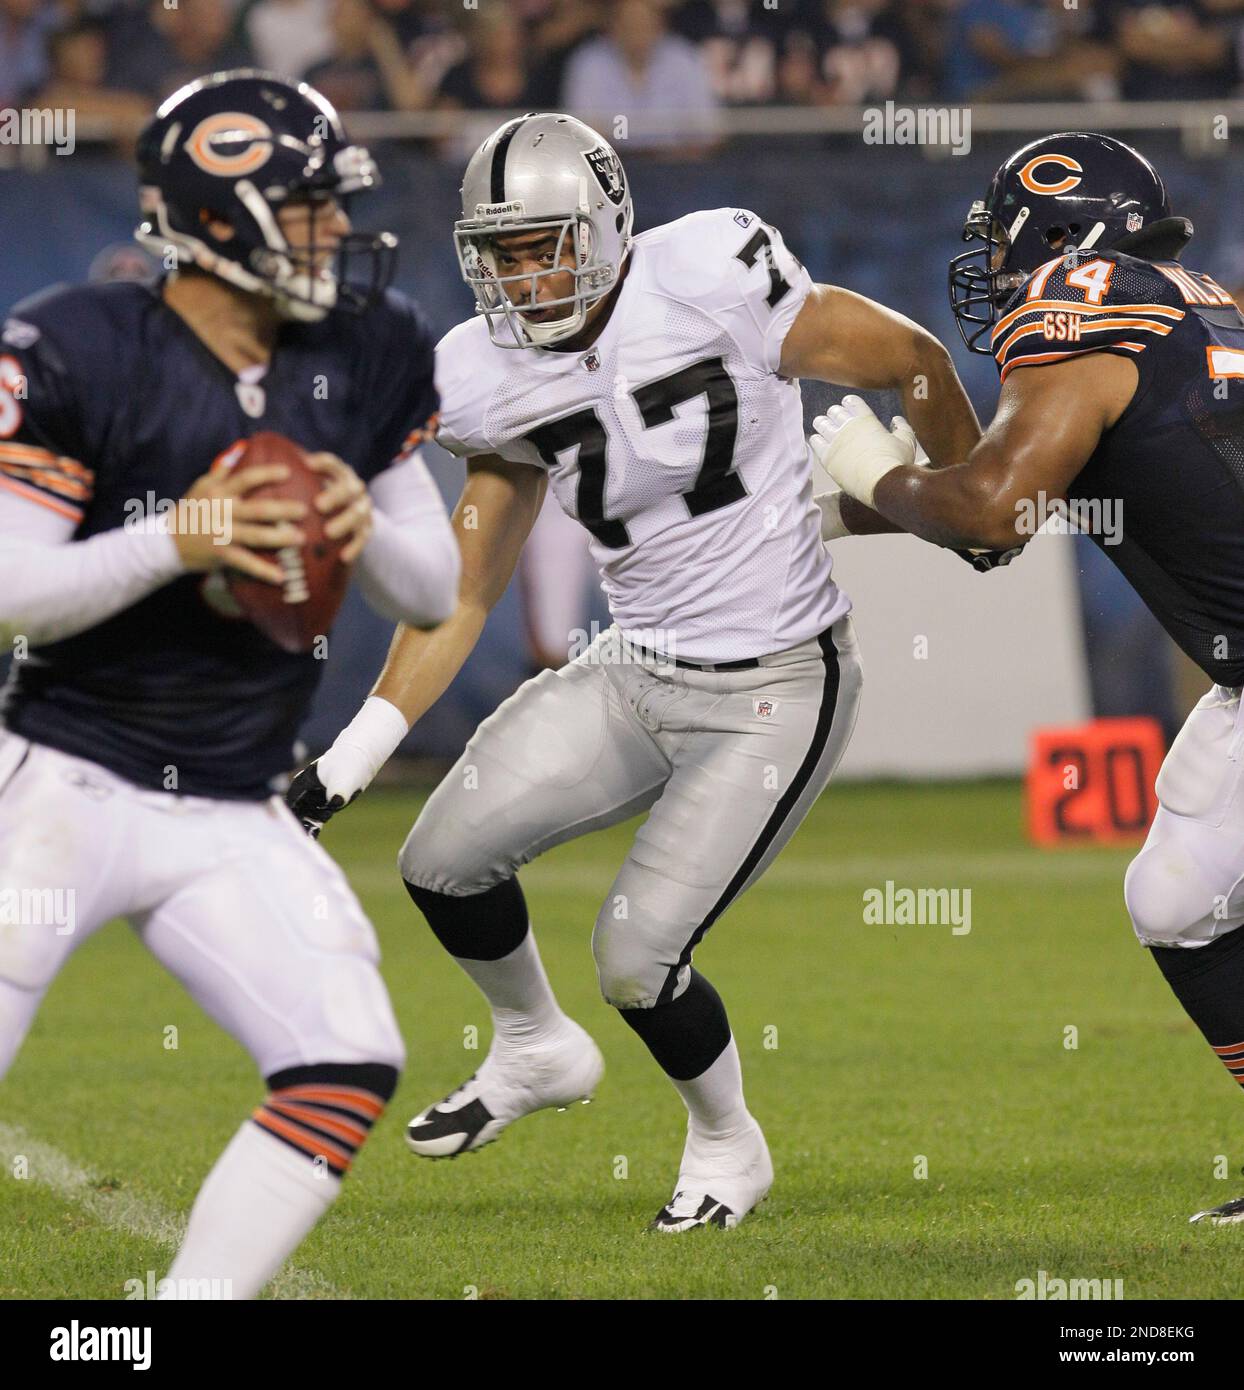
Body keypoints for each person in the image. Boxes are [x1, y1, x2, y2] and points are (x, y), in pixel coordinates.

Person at [288, 110, 979, 1231]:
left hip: (774, 684)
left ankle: (726, 1142)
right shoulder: (480, 368)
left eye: (542, 240)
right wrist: (350, 756)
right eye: (499, 250)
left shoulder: (709, 271)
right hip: (630, 668)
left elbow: (913, 356)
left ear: (608, 222)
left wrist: (965, 496)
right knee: (440, 861)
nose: (523, 271)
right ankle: (532, 1046)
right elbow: (464, 586)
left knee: (634, 955)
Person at [0, 70, 460, 1296]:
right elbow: (10, 592)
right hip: (65, 781)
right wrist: (179, 538)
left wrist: (365, 523)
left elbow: (429, 588)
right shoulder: (80, 343)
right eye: (307, 207)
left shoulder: (369, 346)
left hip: (228, 801)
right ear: (218, 219)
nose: (334, 234)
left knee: (345, 1058)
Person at [810, 130, 1244, 1225]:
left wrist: (884, 472)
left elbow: (992, 511)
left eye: (1005, 243)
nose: (998, 271)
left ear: (1056, 232)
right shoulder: (1196, 299)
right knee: (1177, 891)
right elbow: (1016, 500)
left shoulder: (1074, 295)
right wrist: (860, 506)